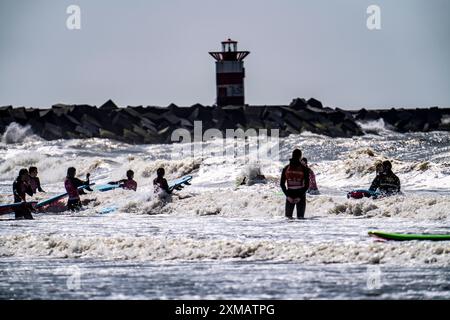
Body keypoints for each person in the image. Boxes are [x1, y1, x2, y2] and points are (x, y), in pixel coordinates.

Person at [280, 149, 310, 219]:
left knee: (288, 219)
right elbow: (307, 185)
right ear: (300, 157)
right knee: (300, 219)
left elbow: (282, 184)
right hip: (300, 194)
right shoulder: (304, 168)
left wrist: (287, 196)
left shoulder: (286, 168)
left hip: (290, 193)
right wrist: (299, 197)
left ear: (292, 155)